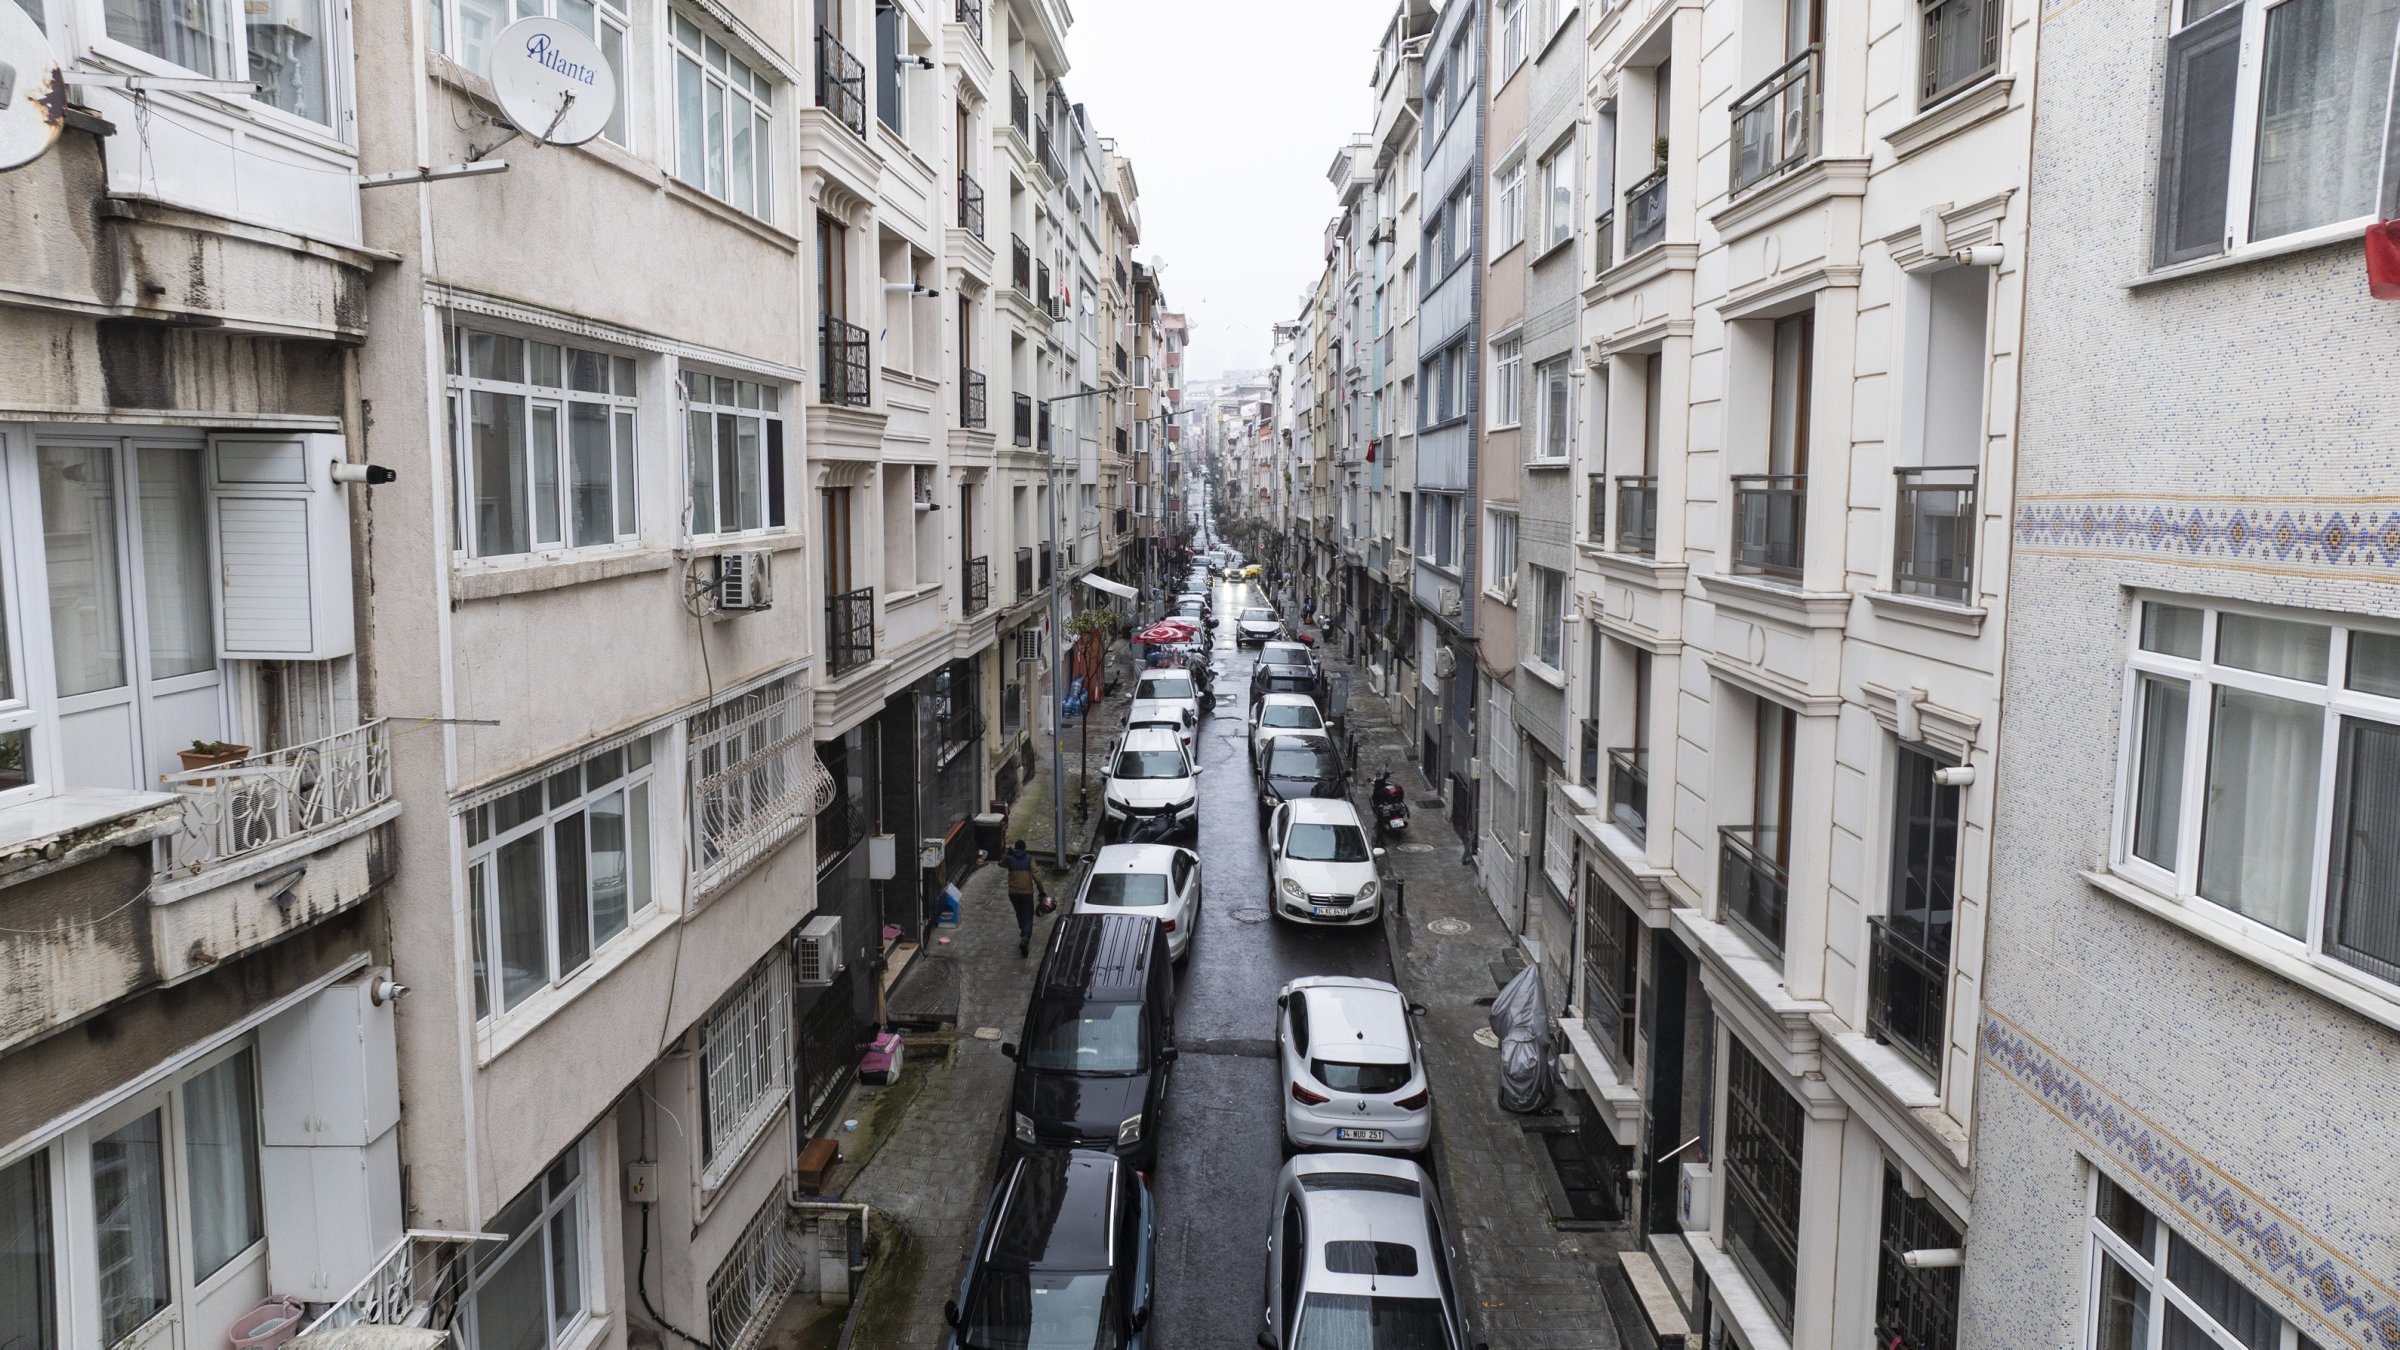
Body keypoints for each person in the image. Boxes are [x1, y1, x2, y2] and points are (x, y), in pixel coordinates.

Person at [1003, 840, 1046, 958]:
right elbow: (1036, 876)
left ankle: (1023, 934)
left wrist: (1008, 853)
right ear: (1025, 848)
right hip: (1027, 893)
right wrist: (1041, 890)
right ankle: (1025, 937)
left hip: (1013, 893)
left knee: (1020, 914)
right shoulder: (1029, 858)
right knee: (1028, 916)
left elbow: (1001, 863)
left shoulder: (1010, 859)